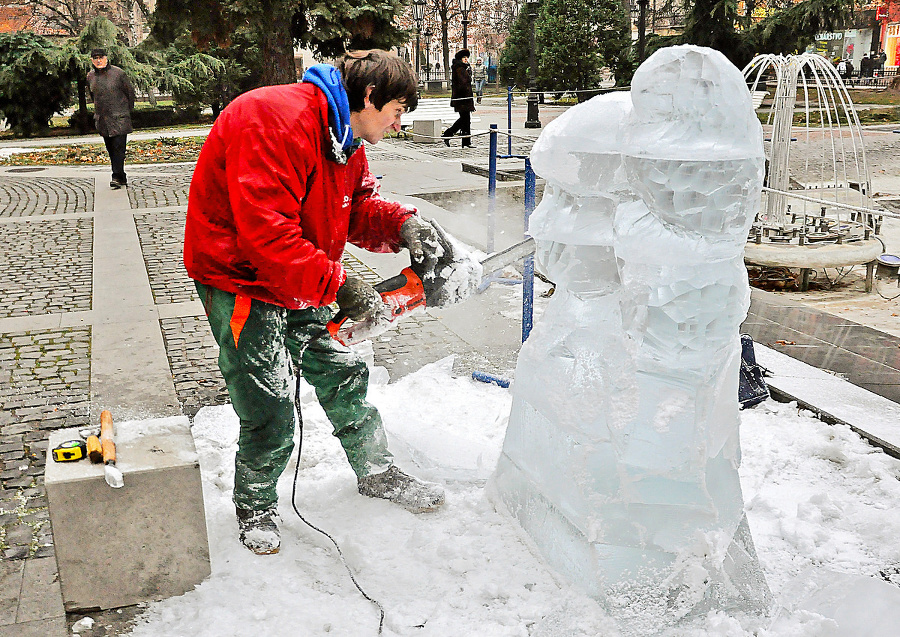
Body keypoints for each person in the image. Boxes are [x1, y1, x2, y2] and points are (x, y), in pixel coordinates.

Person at [183, 49, 446, 556]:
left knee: (343, 368)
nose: (398, 124)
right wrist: (342, 286)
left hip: (301, 271)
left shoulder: (344, 136)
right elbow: (266, 234)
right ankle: (255, 502)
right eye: (396, 111)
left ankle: (376, 469)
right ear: (368, 96)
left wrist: (401, 224)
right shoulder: (274, 119)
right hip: (242, 278)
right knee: (269, 399)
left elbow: (357, 206)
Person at [86, 48, 135, 190]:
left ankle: (116, 176)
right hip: (102, 119)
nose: (99, 61)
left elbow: (130, 93)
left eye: (101, 57)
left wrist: (125, 111)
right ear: (92, 60)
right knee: (111, 150)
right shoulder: (90, 76)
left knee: (119, 148)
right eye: (95, 58)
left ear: (107, 58)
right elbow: (92, 95)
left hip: (119, 117)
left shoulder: (118, 74)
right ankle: (121, 176)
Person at [442, 49, 475, 147]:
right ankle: (449, 134)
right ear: (460, 59)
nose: (466, 59)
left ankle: (464, 141)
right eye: (464, 58)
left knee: (465, 119)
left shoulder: (463, 68)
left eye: (467, 58)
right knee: (465, 119)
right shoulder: (459, 69)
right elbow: (463, 84)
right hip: (462, 98)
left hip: (464, 98)